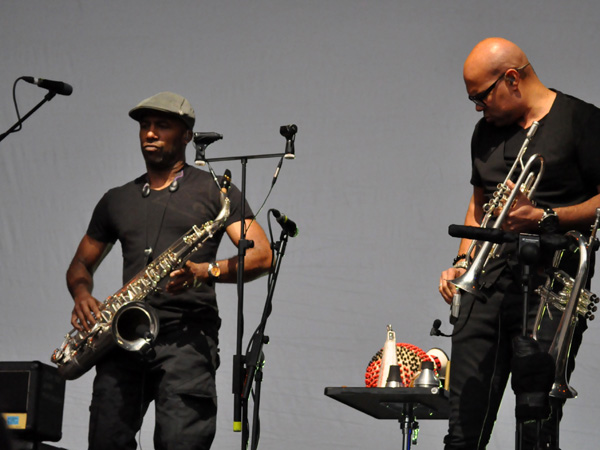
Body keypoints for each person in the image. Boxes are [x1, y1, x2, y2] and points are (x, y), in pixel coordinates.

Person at [66, 91, 272, 450]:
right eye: (144, 126)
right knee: (105, 441)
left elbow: (261, 257)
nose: (149, 133)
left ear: (187, 135)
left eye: (162, 125)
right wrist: (82, 293)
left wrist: (204, 271)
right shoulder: (117, 198)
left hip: (186, 338)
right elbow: (81, 263)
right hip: (122, 336)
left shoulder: (215, 193)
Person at [438, 38, 600, 449]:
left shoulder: (582, 121)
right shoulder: (486, 133)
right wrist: (461, 263)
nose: (478, 108)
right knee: (462, 424)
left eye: (481, 97)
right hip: (487, 282)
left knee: (535, 421)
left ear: (511, 79)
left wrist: (547, 216)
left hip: (550, 288)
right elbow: (478, 202)